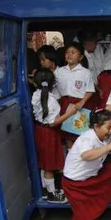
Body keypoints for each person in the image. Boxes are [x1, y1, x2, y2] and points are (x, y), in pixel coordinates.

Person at [32, 69, 77, 203]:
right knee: (49, 165)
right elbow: (53, 123)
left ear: (34, 83)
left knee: (45, 162)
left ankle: (46, 190)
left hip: (40, 130)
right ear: (54, 84)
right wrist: (70, 112)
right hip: (49, 133)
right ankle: (52, 194)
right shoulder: (50, 100)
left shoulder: (35, 95)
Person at [54, 42, 96, 146]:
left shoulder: (86, 72)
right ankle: (70, 152)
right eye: (67, 52)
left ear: (81, 57)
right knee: (66, 133)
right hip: (64, 103)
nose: (69, 55)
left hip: (79, 105)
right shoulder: (59, 71)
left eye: (73, 52)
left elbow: (90, 90)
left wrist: (82, 102)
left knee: (79, 132)